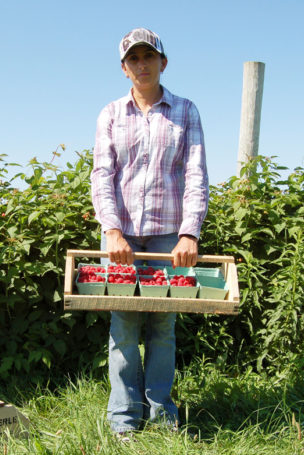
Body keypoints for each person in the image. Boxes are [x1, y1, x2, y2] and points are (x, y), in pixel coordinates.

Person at [91, 27, 209, 434]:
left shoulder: (186, 111)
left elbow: (195, 174)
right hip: (121, 237)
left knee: (162, 326)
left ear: (163, 62)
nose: (142, 65)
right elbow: (102, 175)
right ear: (124, 69)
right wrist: (111, 230)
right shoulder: (110, 114)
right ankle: (123, 419)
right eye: (133, 60)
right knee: (123, 325)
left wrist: (189, 233)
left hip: (167, 236)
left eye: (149, 57)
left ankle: (161, 416)